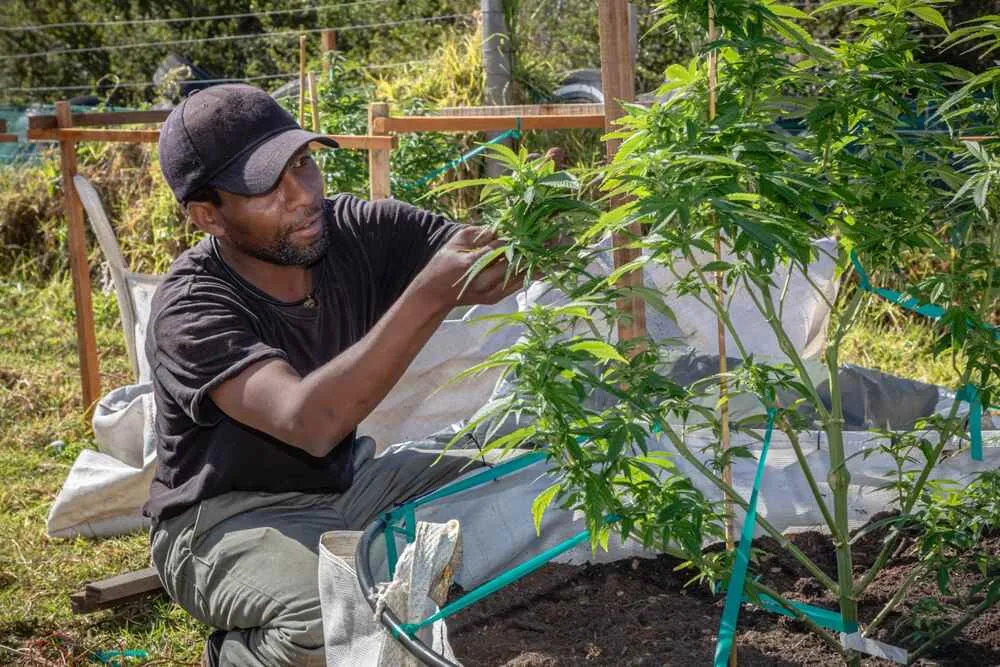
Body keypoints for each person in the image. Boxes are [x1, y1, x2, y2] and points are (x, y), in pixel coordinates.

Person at [144, 84, 521, 667]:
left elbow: (477, 257)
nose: (303, 195)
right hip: (223, 519)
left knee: (512, 472)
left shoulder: (352, 231)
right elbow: (309, 421)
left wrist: (539, 216)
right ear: (207, 215)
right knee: (334, 617)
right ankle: (237, 657)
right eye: (264, 185)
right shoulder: (192, 309)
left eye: (303, 163)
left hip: (347, 485)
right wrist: (430, 295)